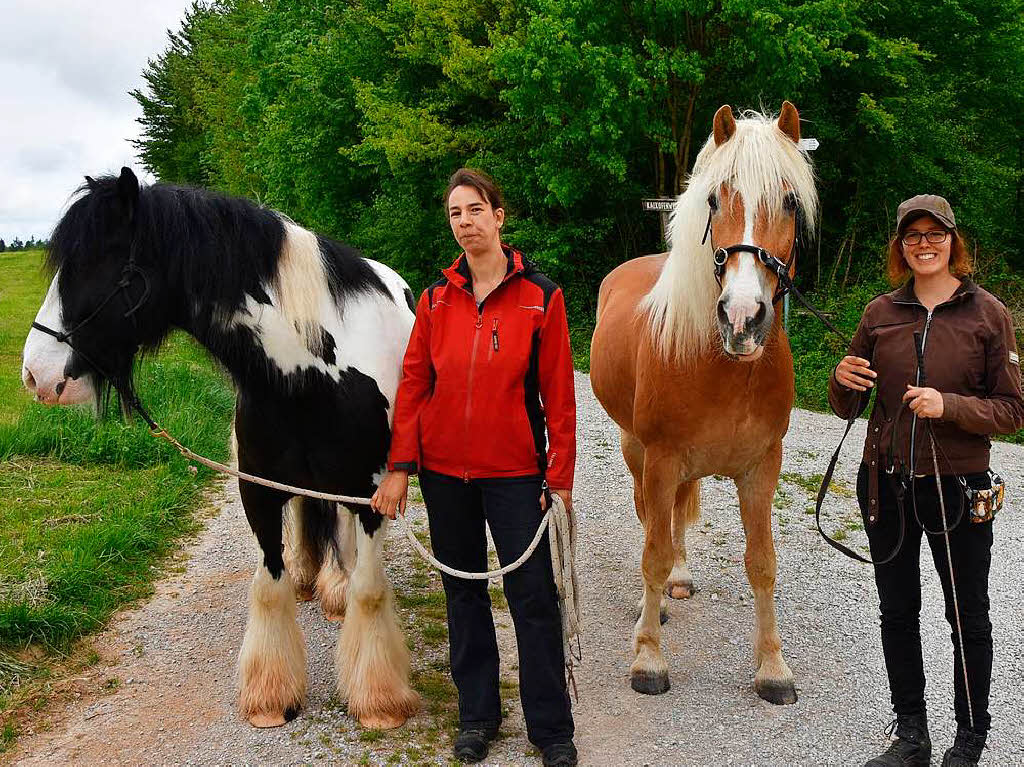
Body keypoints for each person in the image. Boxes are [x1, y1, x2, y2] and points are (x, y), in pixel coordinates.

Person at [371, 168, 578, 767]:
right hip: (444, 474)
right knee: (461, 594)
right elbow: (414, 383)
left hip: (515, 472)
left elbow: (558, 395)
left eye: (474, 210)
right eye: (455, 214)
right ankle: (477, 716)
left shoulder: (542, 296)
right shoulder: (435, 300)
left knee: (532, 595)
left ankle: (551, 728)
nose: (464, 223)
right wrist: (399, 467)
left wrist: (558, 478)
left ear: (498, 215)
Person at [829, 194, 1024, 767]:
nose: (924, 244)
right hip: (885, 484)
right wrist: (842, 380)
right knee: (896, 611)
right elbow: (844, 404)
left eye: (934, 234)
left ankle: (970, 738)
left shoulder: (988, 315)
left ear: (952, 242)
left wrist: (951, 406)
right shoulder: (879, 313)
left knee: (967, 613)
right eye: (912, 235)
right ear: (900, 246)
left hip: (958, 486)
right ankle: (911, 733)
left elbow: (1014, 410)